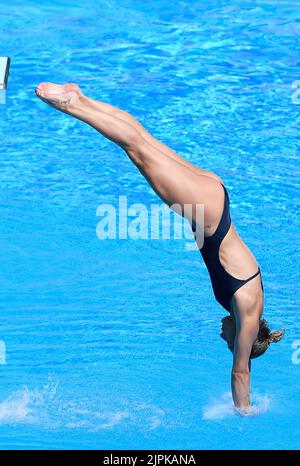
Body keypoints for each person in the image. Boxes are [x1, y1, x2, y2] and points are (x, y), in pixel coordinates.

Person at [35, 82, 284, 413]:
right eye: (230, 343)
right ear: (244, 339)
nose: (223, 338)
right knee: (137, 149)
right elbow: (240, 371)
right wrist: (244, 413)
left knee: (143, 142)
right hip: (207, 211)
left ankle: (79, 98)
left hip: (214, 198)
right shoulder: (248, 316)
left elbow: (243, 363)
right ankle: (71, 105)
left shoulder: (250, 308)